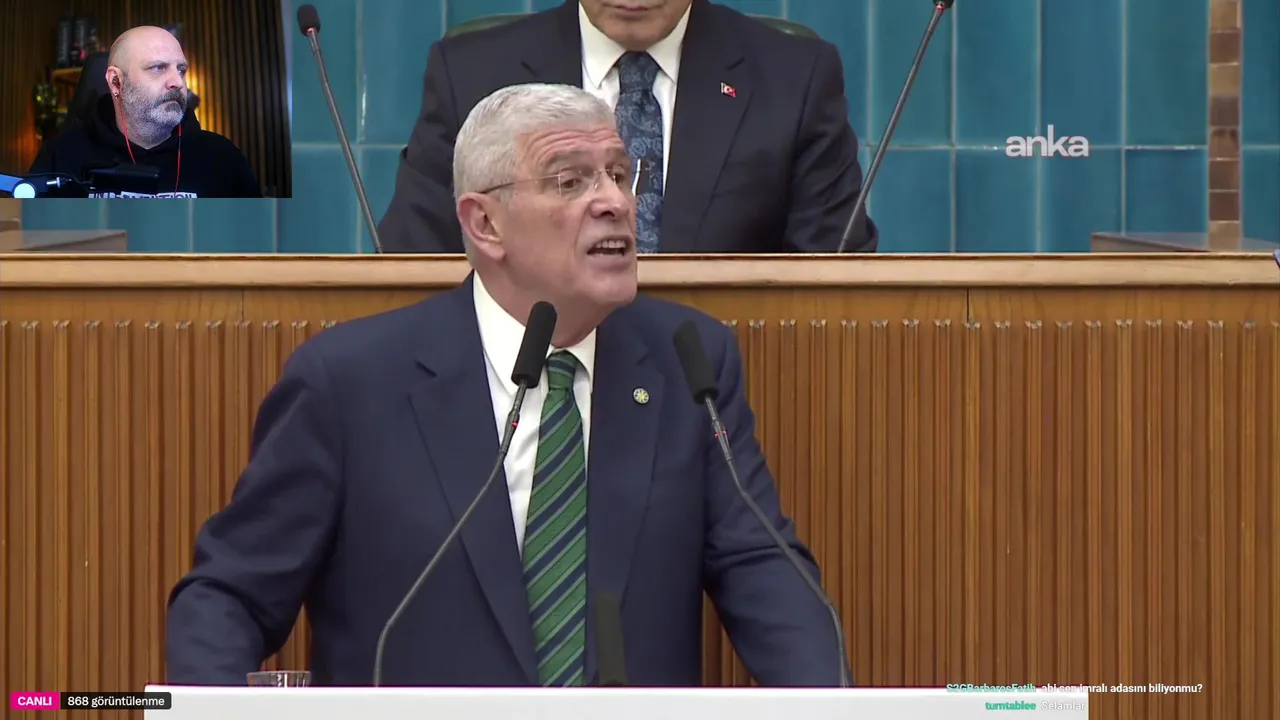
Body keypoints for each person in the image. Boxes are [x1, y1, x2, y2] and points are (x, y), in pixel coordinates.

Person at [165, 83, 845, 687]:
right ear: (484, 223)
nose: (615, 202)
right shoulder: (349, 383)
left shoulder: (687, 363)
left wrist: (833, 705)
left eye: (619, 173)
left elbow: (764, 570)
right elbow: (229, 596)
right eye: (570, 181)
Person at [377, 0, 876, 254]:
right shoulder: (471, 75)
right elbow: (413, 264)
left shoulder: (795, 77)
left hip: (727, 384)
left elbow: (835, 279)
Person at [28, 26, 260, 198]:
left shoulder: (223, 158)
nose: (177, 82)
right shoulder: (61, 156)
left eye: (181, 70)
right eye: (158, 68)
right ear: (116, 81)